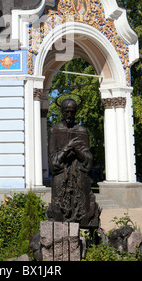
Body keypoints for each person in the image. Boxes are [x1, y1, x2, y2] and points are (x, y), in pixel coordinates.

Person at [47, 98, 101, 229]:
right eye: (67, 112)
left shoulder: (82, 131)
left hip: (79, 180)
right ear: (62, 112)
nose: (69, 115)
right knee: (59, 216)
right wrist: (67, 148)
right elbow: (53, 163)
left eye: (72, 112)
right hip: (61, 179)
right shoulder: (55, 131)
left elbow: (88, 161)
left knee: (83, 215)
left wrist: (77, 150)